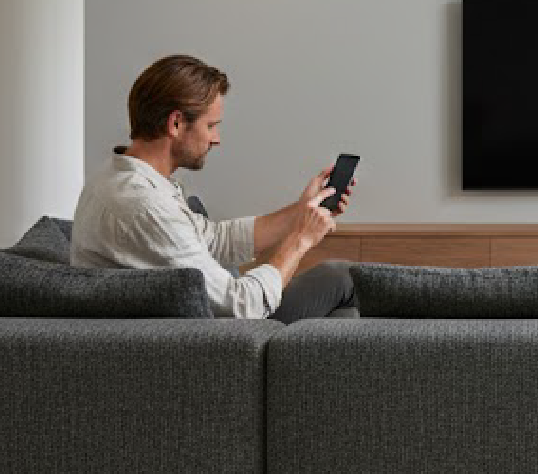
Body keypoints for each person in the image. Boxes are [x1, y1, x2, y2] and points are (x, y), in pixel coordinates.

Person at [71, 54, 357, 321]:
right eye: (211, 126)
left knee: (340, 282)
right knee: (345, 278)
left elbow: (216, 239)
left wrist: (301, 212)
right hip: (214, 337)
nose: (216, 138)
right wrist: (300, 240)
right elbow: (241, 305)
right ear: (176, 123)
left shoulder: (133, 182)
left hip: (202, 326)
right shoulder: (141, 204)